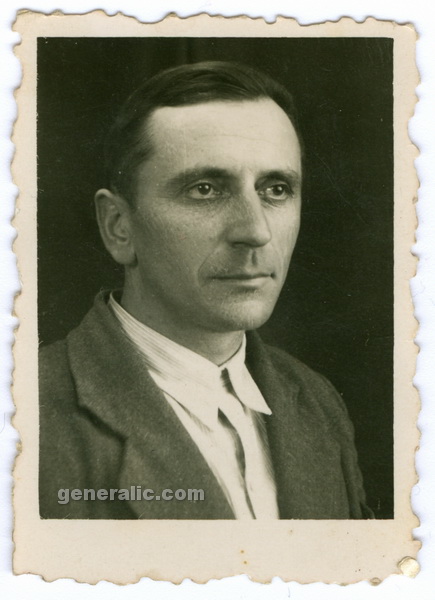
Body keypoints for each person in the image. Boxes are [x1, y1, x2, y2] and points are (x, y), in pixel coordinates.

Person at [39, 61, 372, 519]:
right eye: (205, 190)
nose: (255, 232)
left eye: (276, 189)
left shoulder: (316, 401)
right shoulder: (28, 417)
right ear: (119, 227)